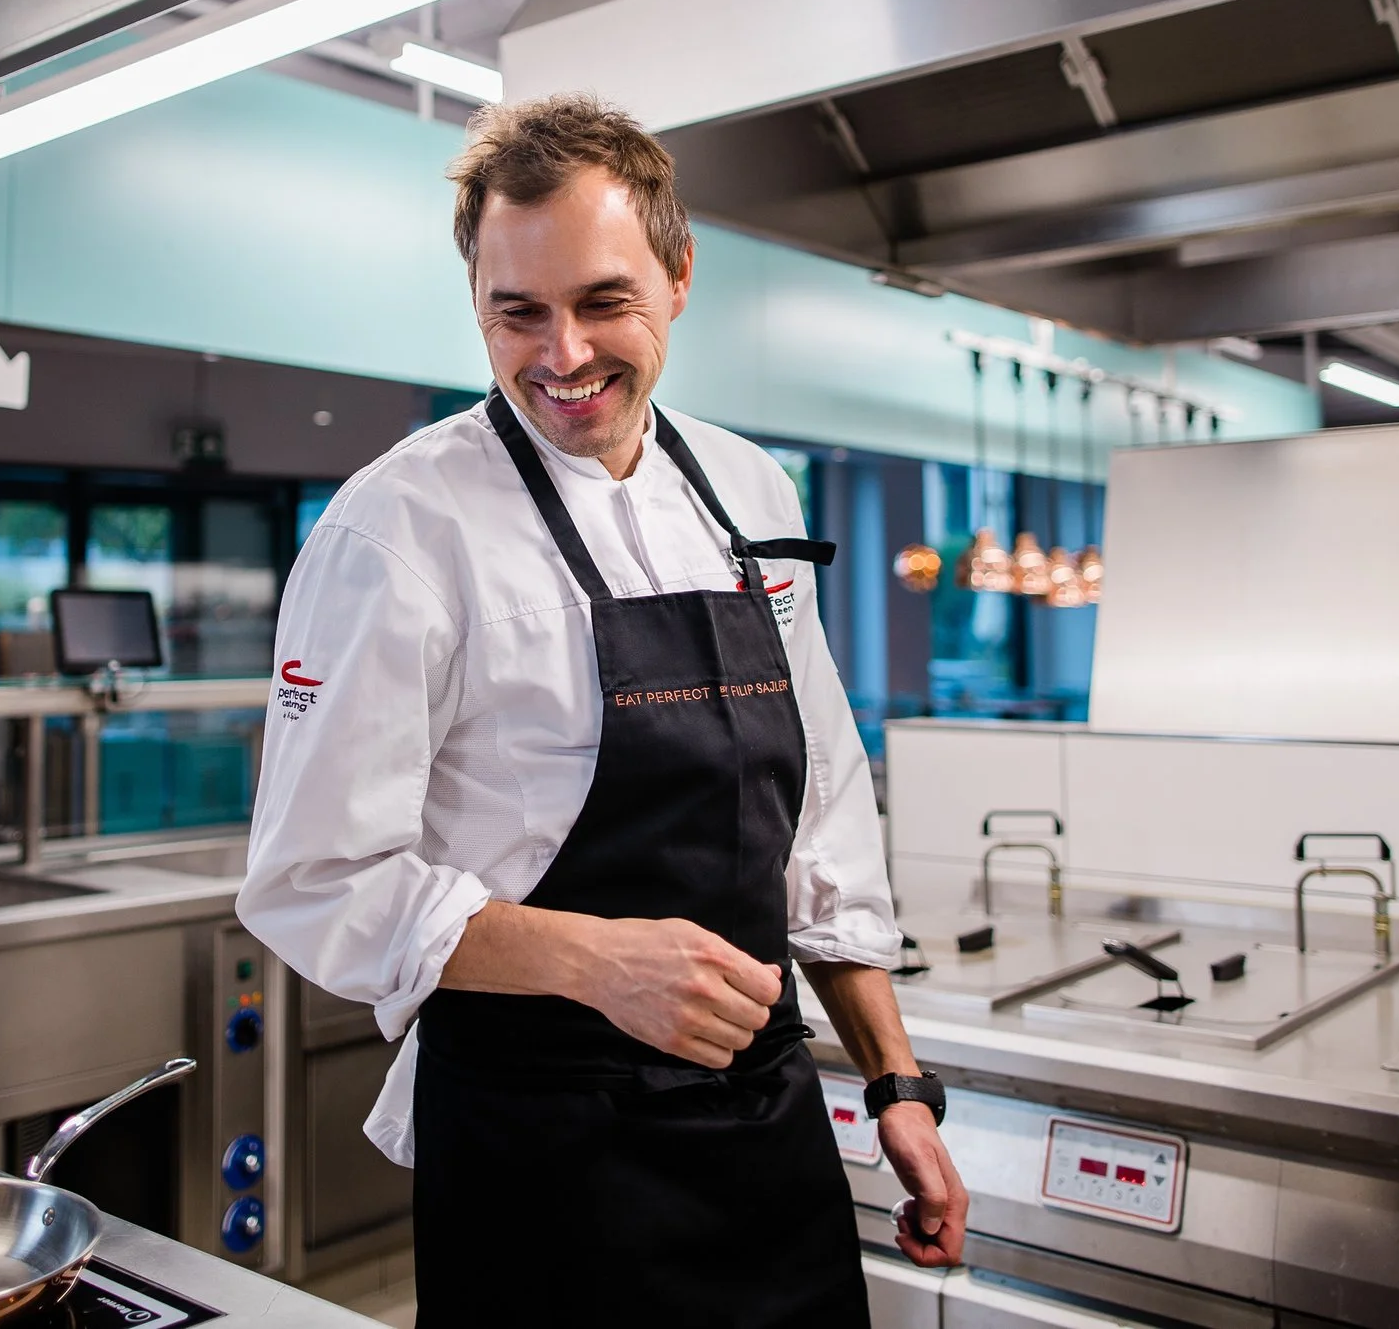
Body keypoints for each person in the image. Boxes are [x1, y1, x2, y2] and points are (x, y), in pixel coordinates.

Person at [237, 94, 964, 1326]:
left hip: (760, 1123)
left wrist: (895, 1080)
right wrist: (598, 959)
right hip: (537, 1146)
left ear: (680, 278)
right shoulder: (397, 525)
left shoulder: (745, 487)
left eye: (603, 302)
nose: (560, 354)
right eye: (515, 313)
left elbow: (822, 814)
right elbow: (313, 874)